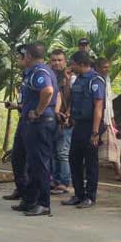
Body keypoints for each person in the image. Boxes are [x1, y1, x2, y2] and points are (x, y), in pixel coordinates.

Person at [16, 43, 58, 217]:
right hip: (33, 123)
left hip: (41, 123)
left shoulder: (39, 71)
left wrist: (38, 111)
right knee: (33, 164)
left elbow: (47, 91)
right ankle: (31, 200)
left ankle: (43, 203)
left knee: (40, 164)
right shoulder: (34, 72)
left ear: (28, 56)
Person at [62, 51, 105, 208]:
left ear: (81, 64)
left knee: (91, 162)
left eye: (72, 63)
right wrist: (67, 81)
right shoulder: (78, 79)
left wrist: (95, 132)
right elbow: (69, 100)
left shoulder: (95, 80)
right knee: (74, 160)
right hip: (78, 125)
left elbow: (98, 107)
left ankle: (90, 196)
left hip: (91, 125)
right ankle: (78, 194)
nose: (70, 66)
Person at [95, 57, 121, 181]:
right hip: (98, 119)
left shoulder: (107, 79)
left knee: (114, 143)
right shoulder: (95, 80)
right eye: (104, 67)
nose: (107, 70)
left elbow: (109, 100)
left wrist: (111, 117)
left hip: (107, 118)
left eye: (108, 67)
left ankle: (119, 172)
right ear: (97, 68)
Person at [49, 48, 74, 194]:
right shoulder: (50, 75)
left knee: (63, 152)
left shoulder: (71, 77)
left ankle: (64, 182)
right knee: (53, 152)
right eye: (54, 60)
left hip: (66, 120)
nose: (56, 63)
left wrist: (68, 114)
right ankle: (55, 180)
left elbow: (73, 99)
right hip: (52, 119)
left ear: (65, 61)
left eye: (59, 60)